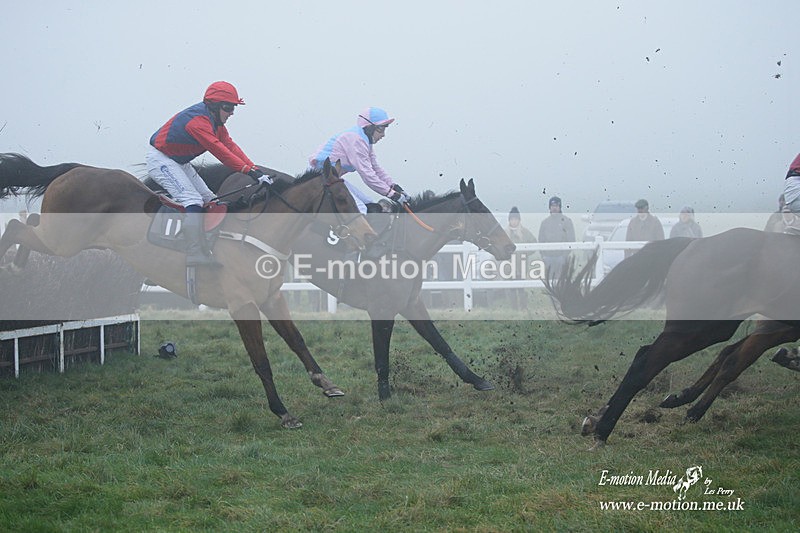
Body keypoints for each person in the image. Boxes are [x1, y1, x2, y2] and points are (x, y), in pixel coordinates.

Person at [147, 81, 269, 267]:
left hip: (179, 161)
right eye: (228, 108)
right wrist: (248, 171)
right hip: (161, 160)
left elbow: (230, 146)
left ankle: (205, 245)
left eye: (233, 108)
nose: (231, 113)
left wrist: (255, 169)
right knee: (193, 200)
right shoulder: (198, 123)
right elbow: (220, 152)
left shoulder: (216, 123)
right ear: (214, 106)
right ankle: (193, 252)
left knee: (211, 199)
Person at [309, 107, 406, 214]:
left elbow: (375, 168)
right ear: (369, 127)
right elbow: (367, 175)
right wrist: (390, 194)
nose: (383, 135)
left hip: (332, 179)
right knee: (360, 208)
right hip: (321, 179)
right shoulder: (356, 140)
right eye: (380, 129)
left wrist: (393, 186)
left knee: (369, 203)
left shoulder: (364, 141)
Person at [502, 207, 537, 310]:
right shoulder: (504, 233)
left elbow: (534, 244)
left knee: (521, 287)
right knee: (512, 288)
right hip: (509, 265)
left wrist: (525, 253)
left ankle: (523, 307)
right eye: (512, 219)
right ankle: (514, 308)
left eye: (516, 219)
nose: (514, 221)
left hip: (521, 264)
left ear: (519, 220)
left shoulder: (525, 232)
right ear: (509, 220)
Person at [538, 196, 575, 279]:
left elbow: (571, 240)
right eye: (552, 206)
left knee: (562, 281)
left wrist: (564, 256)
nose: (554, 208)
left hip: (562, 258)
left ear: (560, 207)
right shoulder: (545, 223)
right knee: (550, 281)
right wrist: (544, 256)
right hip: (548, 258)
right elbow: (541, 240)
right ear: (549, 207)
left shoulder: (567, 221)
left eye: (556, 206)